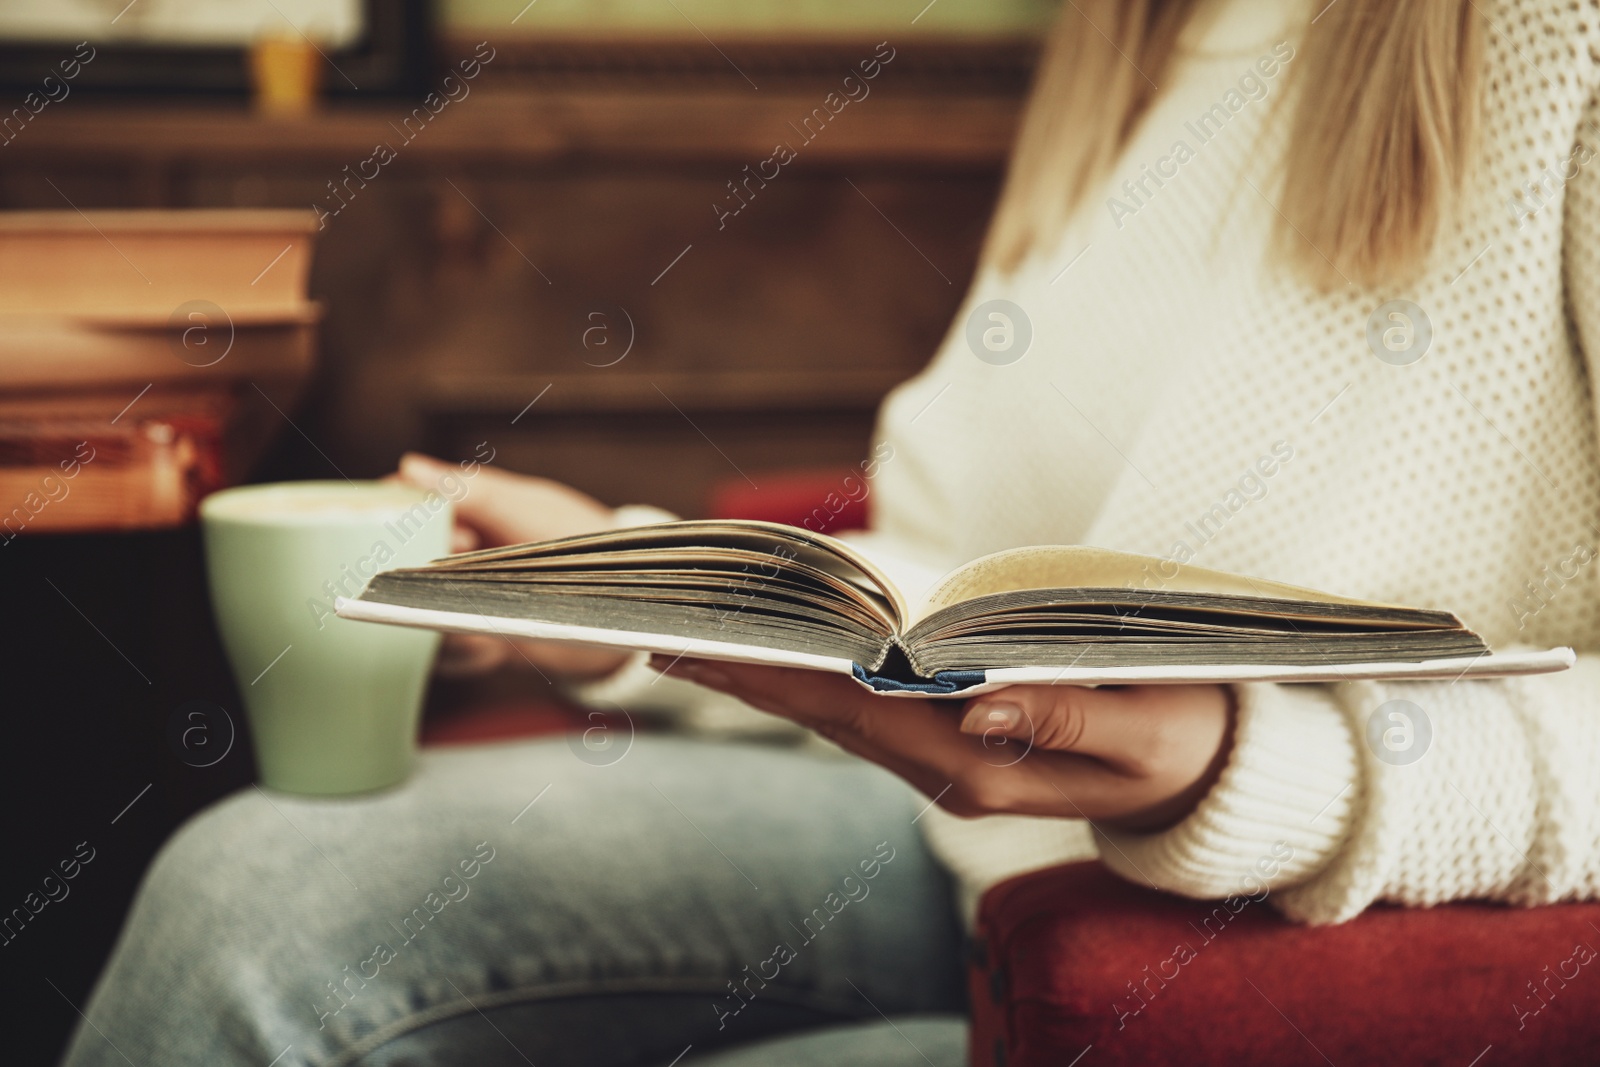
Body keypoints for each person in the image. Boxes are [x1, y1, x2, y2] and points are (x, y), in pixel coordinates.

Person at [63, 0, 1600, 1063]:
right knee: (252, 886)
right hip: (964, 859)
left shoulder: (1556, 50)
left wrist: (1276, 769)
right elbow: (980, 595)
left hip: (1220, 951)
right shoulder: (1141, 41)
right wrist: (635, 586)